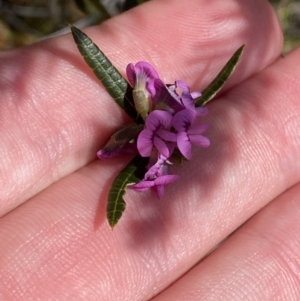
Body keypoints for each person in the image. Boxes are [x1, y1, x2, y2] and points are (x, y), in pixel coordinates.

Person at [0, 0, 299, 299]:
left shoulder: (167, 131)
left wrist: (157, 156)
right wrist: (151, 144)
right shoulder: (160, 129)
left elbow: (166, 126)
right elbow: (158, 123)